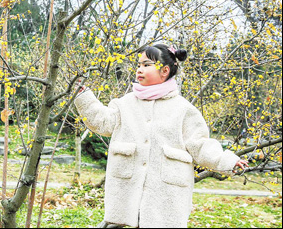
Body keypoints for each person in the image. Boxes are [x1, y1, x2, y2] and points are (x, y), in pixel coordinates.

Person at [74, 43, 249, 228]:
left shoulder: (183, 109)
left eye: (147, 65)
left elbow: (200, 144)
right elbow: (102, 121)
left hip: (165, 193)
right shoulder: (125, 104)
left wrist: (227, 160)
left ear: (164, 70)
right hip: (127, 188)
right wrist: (83, 96)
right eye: (139, 65)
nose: (139, 69)